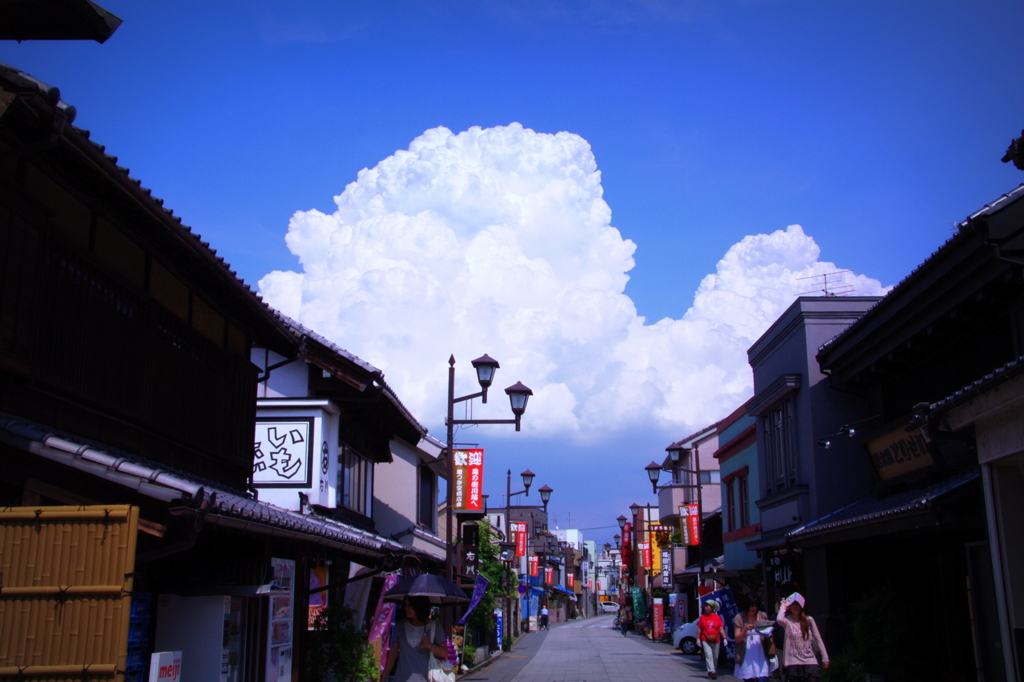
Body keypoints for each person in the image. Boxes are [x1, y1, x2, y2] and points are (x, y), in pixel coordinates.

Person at [382, 597, 449, 682]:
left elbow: (445, 653)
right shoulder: (400, 625)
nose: (406, 608)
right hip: (402, 678)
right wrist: (384, 678)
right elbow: (393, 653)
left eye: (410, 606)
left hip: (425, 678)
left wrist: (430, 646)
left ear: (419, 606)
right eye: (405, 605)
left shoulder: (434, 626)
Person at [776, 594, 829, 681]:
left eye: (798, 604)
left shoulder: (809, 620)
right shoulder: (787, 621)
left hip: (809, 660)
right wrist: (783, 606)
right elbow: (779, 620)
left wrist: (825, 658)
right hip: (793, 662)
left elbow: (818, 638)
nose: (796, 607)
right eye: (794, 604)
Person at [733, 597, 771, 682]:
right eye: (751, 606)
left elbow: (767, 632)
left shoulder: (762, 615)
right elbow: (738, 639)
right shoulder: (739, 618)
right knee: (749, 679)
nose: (753, 608)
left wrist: (769, 632)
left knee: (763, 679)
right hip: (746, 654)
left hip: (760, 652)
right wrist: (745, 629)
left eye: (755, 606)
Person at [697, 599, 727, 680]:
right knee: (708, 655)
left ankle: (713, 669)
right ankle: (711, 671)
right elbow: (699, 628)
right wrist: (698, 639)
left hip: (716, 639)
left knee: (715, 656)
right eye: (705, 606)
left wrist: (724, 638)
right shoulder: (702, 617)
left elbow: (721, 628)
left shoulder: (717, 617)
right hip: (705, 639)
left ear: (712, 607)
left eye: (708, 606)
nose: (706, 608)